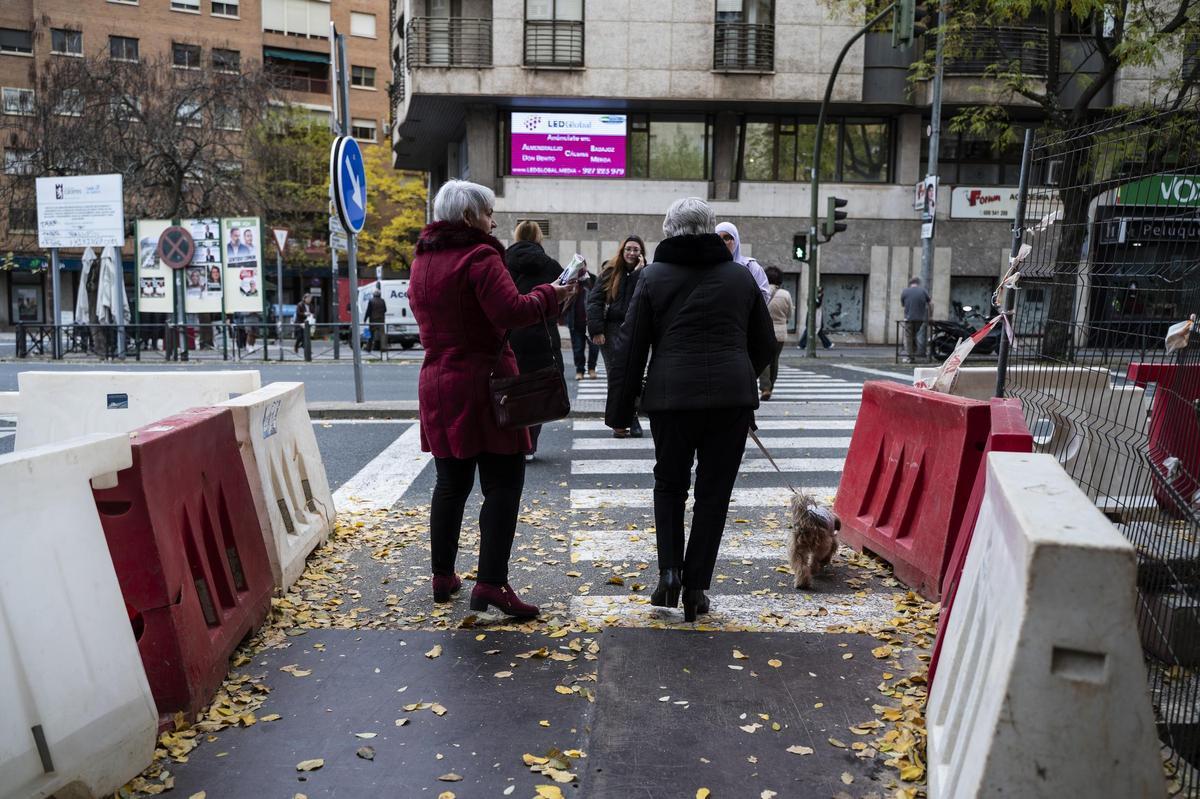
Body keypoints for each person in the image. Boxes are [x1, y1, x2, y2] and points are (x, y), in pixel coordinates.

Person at [407, 179, 576, 619]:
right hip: (484, 384)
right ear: (470, 217)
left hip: (438, 382)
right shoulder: (480, 256)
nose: (493, 220)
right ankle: (491, 584)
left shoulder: (423, 260)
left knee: (451, 483)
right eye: (488, 213)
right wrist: (551, 295)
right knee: (503, 485)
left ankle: (442, 575)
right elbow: (512, 312)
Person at [606, 197, 776, 622]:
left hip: (671, 399)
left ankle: (669, 573)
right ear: (710, 227)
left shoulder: (651, 277)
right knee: (713, 494)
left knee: (669, 485)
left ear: (668, 230)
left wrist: (621, 411)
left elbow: (630, 348)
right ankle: (697, 588)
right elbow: (765, 343)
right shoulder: (740, 279)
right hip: (730, 402)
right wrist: (740, 373)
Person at [504, 220, 566, 462]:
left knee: (512, 389)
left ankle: (514, 441)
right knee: (538, 390)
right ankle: (530, 444)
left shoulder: (502, 262)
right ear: (539, 237)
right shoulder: (551, 266)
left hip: (511, 335)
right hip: (542, 334)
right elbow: (562, 298)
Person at [587, 235, 646, 438]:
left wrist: (639, 274)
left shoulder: (645, 274)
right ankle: (620, 421)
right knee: (616, 376)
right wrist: (596, 330)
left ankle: (633, 416)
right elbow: (594, 300)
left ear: (641, 254)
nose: (631, 253)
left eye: (636, 250)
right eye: (628, 249)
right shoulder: (610, 272)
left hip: (636, 330)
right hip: (611, 330)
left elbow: (640, 300)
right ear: (622, 251)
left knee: (635, 375)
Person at [759, 266, 794, 400]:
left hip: (764, 331)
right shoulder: (785, 294)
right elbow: (790, 314)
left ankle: (765, 388)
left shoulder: (762, 291)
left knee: (764, 360)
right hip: (780, 333)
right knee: (774, 360)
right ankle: (770, 387)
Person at [715, 221, 772, 305]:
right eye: (718, 238)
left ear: (736, 240)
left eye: (727, 238)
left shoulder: (750, 266)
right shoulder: (709, 267)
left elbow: (764, 295)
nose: (722, 242)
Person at [563, 263, 598, 380]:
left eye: (583, 267)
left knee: (594, 348)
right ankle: (580, 371)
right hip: (575, 322)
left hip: (591, 323)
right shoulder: (571, 281)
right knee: (578, 348)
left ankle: (592, 369)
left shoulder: (592, 279)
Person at [901, 276, 932, 363]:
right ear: (918, 283)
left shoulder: (905, 291)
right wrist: (930, 316)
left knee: (908, 338)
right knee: (914, 336)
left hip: (909, 318)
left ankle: (909, 357)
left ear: (910, 283)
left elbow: (903, 304)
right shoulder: (923, 291)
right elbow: (930, 303)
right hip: (920, 319)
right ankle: (913, 354)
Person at [798, 286, 834, 350]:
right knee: (812, 329)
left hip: (817, 315)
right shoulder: (814, 297)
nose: (820, 292)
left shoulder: (818, 297)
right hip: (814, 315)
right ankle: (827, 344)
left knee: (815, 330)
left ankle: (827, 344)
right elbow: (815, 304)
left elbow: (817, 304)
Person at [365, 288, 388, 353]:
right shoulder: (382, 301)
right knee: (382, 334)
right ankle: (383, 348)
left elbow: (368, 311)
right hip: (381, 320)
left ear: (374, 295)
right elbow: (385, 310)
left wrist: (365, 319)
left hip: (373, 320)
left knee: (371, 334)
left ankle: (368, 348)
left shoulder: (371, 301)